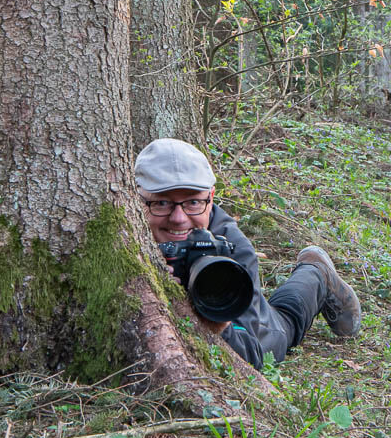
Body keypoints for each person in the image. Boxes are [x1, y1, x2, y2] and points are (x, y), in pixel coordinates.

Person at [133, 138, 362, 369]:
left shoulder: (233, 249)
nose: (179, 219)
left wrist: (218, 324)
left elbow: (251, 355)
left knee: (287, 319)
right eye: (161, 203)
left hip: (263, 332)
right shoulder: (120, 231)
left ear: (211, 198)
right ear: (134, 200)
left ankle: (317, 273)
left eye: (193, 202)